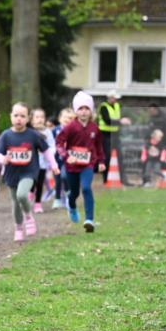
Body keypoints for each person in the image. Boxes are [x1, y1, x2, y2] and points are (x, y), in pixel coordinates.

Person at [0, 103, 59, 242]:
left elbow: (46, 150)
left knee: (22, 195)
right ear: (11, 116)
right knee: (15, 202)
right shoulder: (6, 135)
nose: (19, 119)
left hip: (29, 172)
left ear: (28, 118)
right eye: (16, 115)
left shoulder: (33, 135)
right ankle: (18, 228)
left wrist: (53, 165)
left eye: (22, 116)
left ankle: (28, 216)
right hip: (11, 173)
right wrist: (3, 159)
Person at [56, 91, 106, 233]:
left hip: (88, 165)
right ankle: (71, 206)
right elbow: (59, 143)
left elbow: (98, 146)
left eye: (87, 108)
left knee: (86, 188)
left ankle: (89, 220)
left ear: (91, 111)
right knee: (74, 193)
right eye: (80, 108)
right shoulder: (70, 127)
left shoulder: (95, 128)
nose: (84, 112)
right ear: (75, 111)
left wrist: (101, 161)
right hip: (72, 166)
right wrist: (66, 156)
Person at [98, 90, 131, 185]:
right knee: (107, 157)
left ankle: (124, 180)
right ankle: (105, 180)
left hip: (115, 134)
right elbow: (107, 120)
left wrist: (124, 120)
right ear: (110, 97)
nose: (116, 99)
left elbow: (119, 117)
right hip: (105, 135)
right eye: (115, 98)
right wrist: (121, 121)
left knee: (120, 157)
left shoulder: (117, 106)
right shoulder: (103, 107)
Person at [30, 108, 56, 214]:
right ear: (31, 119)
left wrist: (49, 154)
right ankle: (30, 193)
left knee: (40, 184)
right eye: (37, 117)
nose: (40, 119)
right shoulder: (28, 131)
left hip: (42, 163)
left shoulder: (47, 132)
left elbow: (52, 146)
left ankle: (37, 204)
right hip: (30, 163)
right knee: (31, 181)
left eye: (42, 117)